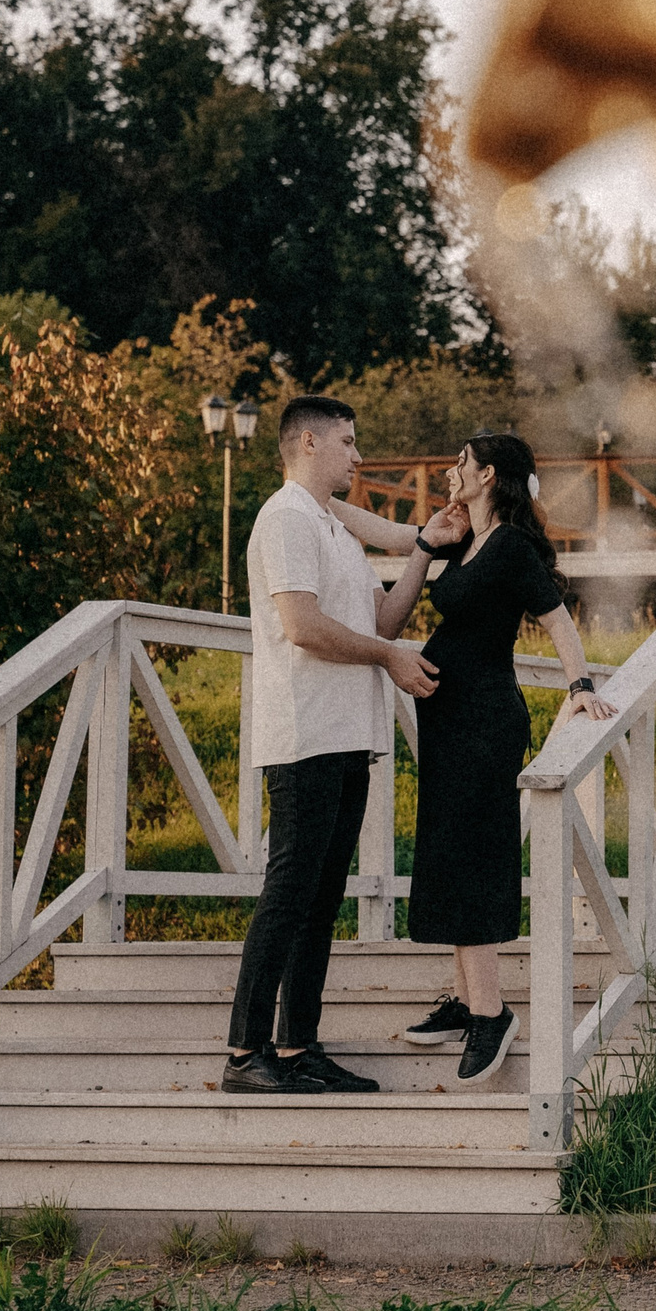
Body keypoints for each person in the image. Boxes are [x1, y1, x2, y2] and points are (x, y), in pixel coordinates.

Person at [225, 396, 462, 1094]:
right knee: (289, 893)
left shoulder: (332, 530)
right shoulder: (287, 518)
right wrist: (388, 659)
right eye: (349, 442)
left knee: (321, 898)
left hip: (348, 737)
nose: (359, 456)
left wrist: (420, 552)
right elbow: (302, 626)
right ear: (307, 442)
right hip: (302, 735)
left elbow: (382, 618)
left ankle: (297, 1046)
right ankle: (245, 1053)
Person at [375, 432, 614, 1086]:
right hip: (450, 722)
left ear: (487, 475)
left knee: (473, 855)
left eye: (460, 461)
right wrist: (433, 539)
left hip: (483, 720)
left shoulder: (507, 544)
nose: (450, 468)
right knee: (449, 852)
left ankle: (491, 1012)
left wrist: (580, 686)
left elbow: (556, 617)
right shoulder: (467, 541)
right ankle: (464, 997)